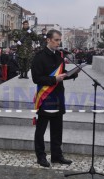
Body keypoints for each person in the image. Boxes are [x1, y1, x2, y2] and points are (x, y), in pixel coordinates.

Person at [31, 29, 79, 168]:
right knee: (41, 130)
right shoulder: (39, 56)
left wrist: (73, 74)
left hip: (58, 95)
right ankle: (41, 156)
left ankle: (57, 156)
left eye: (59, 40)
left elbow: (62, 74)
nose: (58, 43)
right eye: (56, 40)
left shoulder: (59, 55)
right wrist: (54, 79)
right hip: (45, 97)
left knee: (57, 128)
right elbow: (36, 78)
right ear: (48, 40)